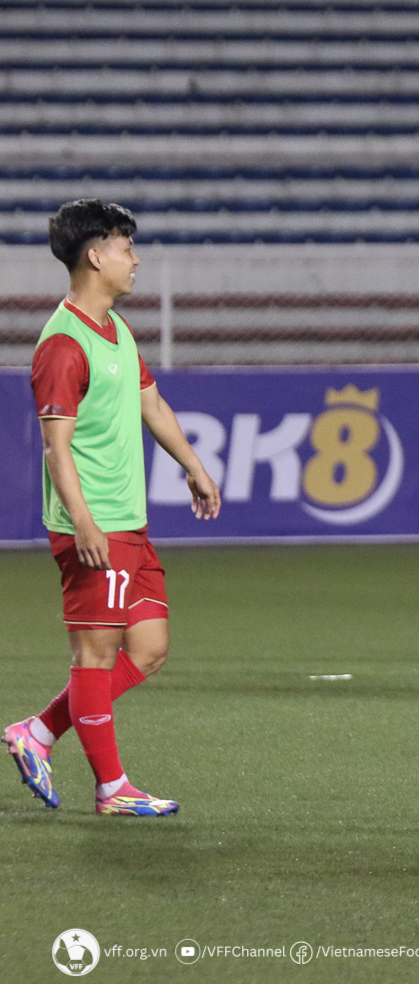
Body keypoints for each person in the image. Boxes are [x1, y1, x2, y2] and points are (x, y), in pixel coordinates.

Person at [3, 199, 222, 816]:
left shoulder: (116, 330)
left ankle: (37, 733)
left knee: (149, 648)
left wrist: (194, 466)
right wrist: (84, 521)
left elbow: (152, 404)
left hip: (130, 522)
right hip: (93, 524)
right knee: (95, 656)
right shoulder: (64, 345)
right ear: (95, 255)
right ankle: (112, 789)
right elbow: (55, 447)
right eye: (126, 247)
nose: (135, 258)